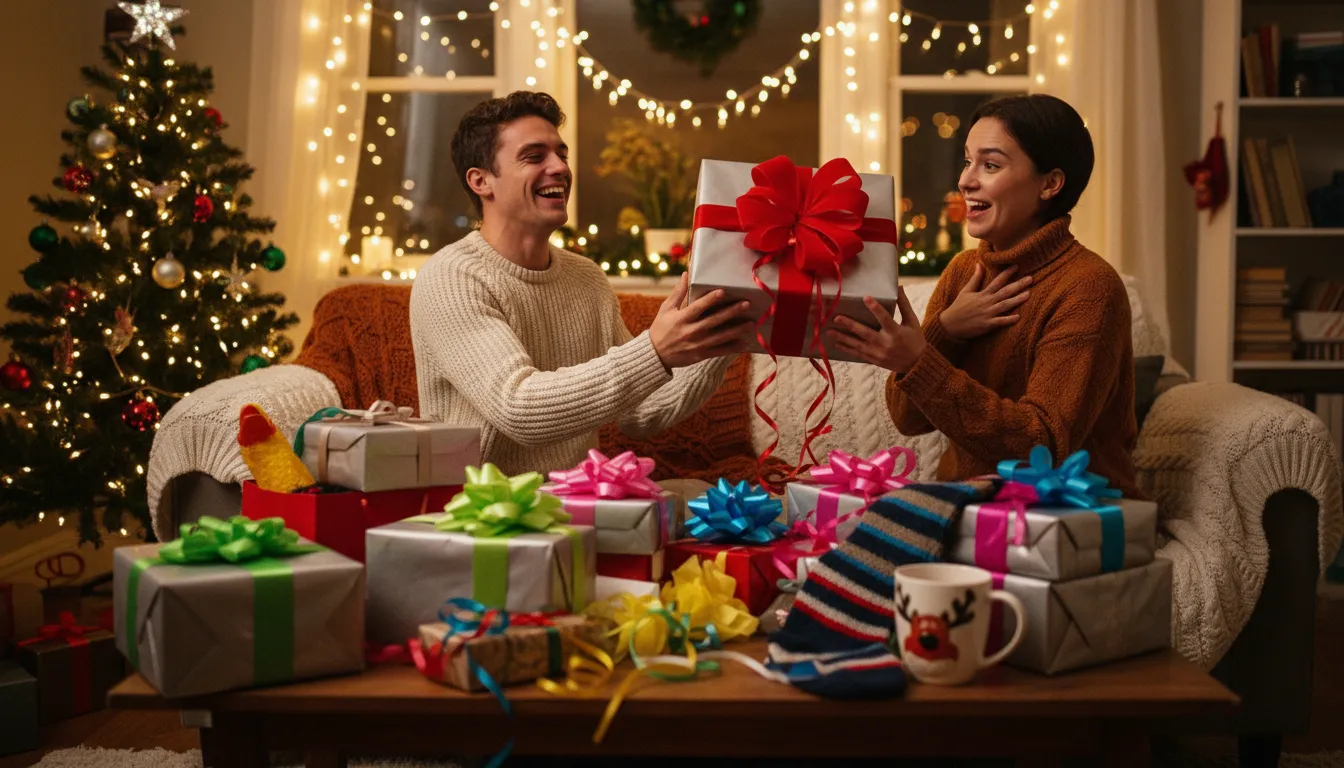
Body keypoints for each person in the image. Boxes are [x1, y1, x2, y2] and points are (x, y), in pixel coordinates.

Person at [410, 91, 753, 476]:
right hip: (479, 513)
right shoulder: (451, 277)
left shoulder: (586, 277)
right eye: (534, 156)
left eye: (561, 153)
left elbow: (640, 413)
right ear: (481, 181)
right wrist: (654, 350)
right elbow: (518, 407)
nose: (559, 167)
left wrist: (730, 331)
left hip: (577, 504)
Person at [827, 93, 1142, 498]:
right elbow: (908, 418)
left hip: (1069, 515)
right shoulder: (963, 270)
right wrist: (945, 332)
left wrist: (919, 360)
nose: (965, 181)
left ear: (1050, 184)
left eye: (990, 165)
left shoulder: (1088, 287)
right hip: (969, 503)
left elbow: (1040, 447)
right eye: (967, 160)